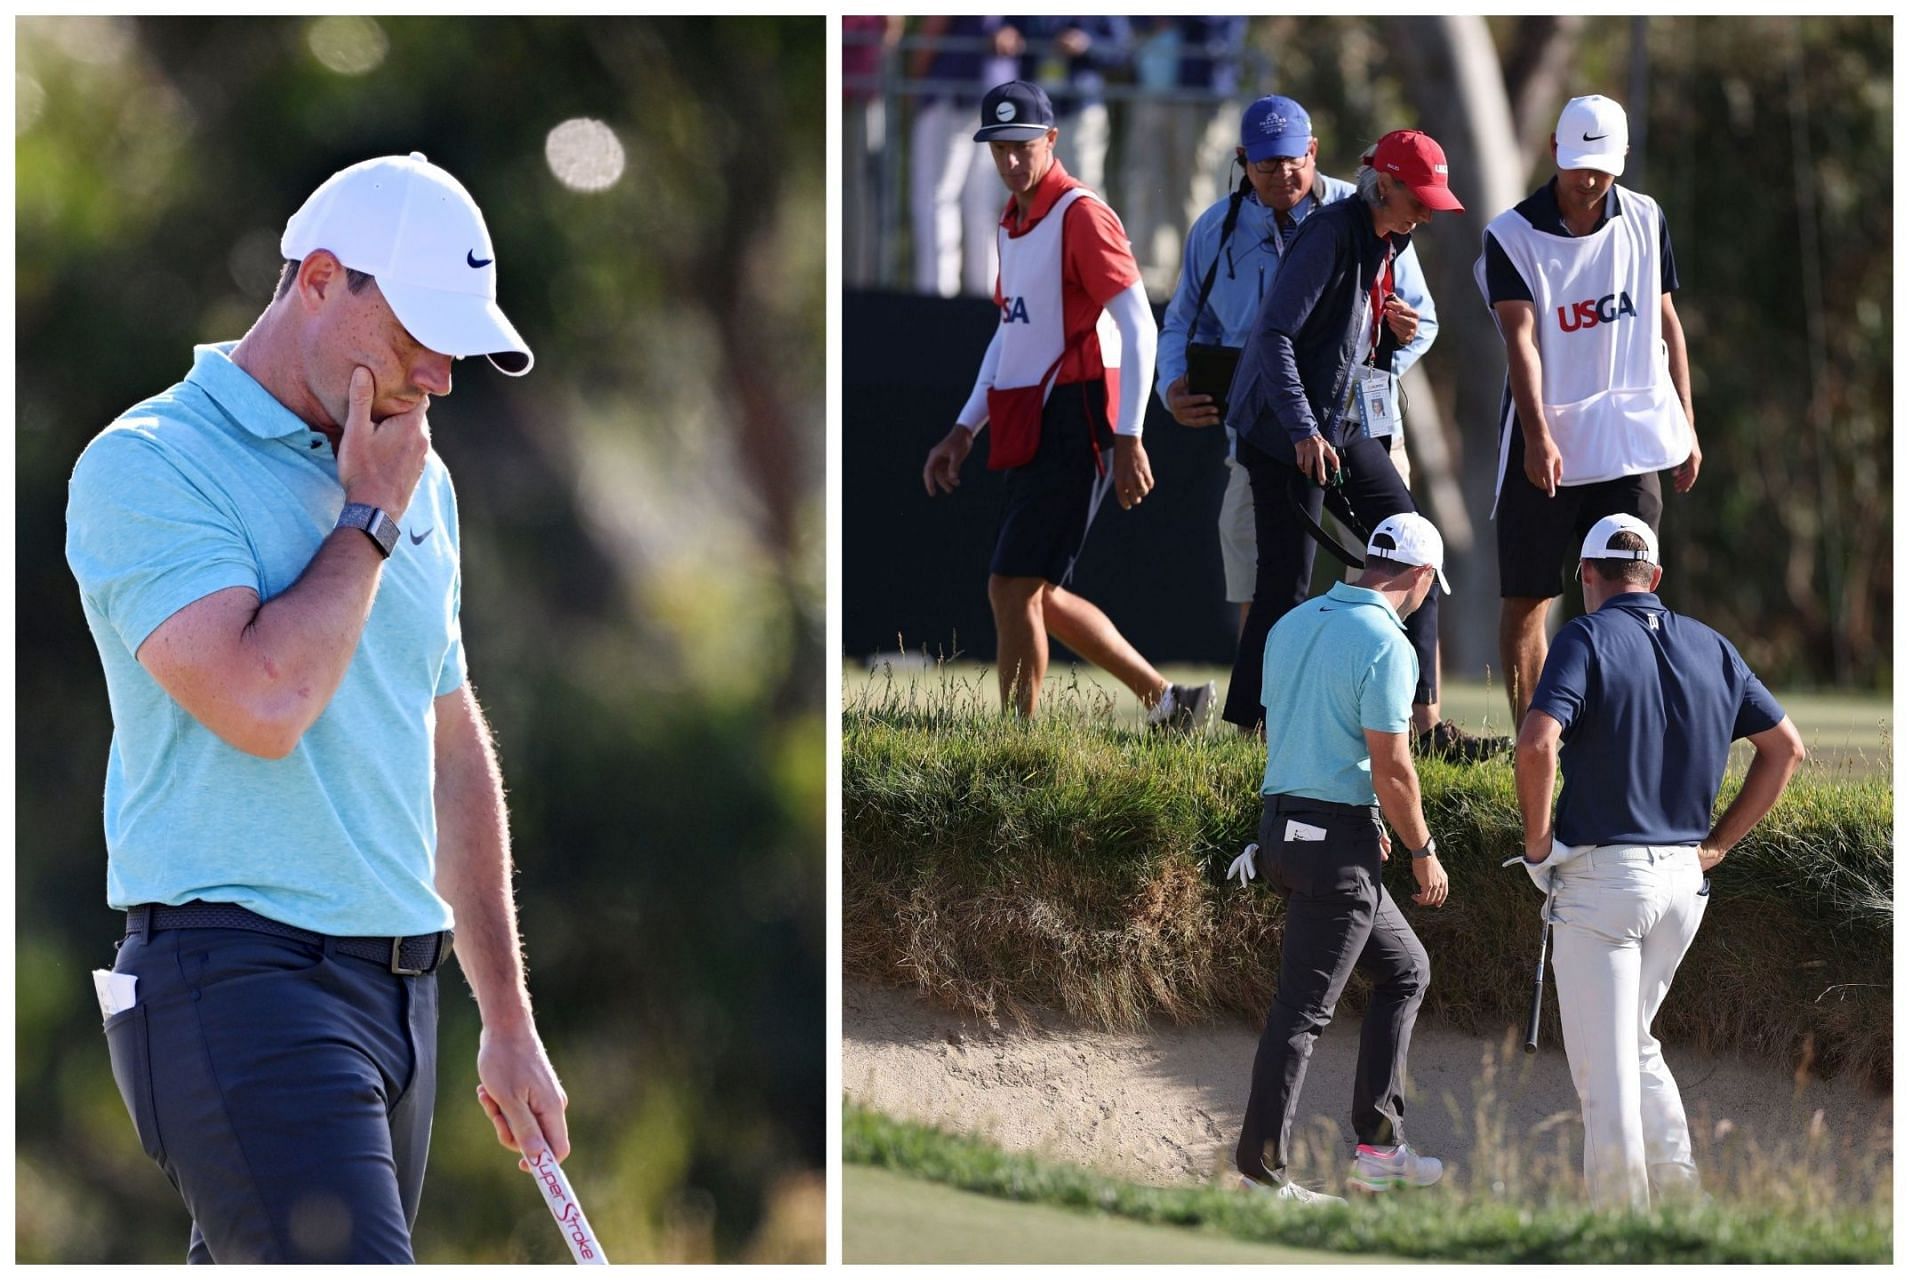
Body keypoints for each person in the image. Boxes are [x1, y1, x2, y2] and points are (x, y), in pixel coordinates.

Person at [66, 153, 568, 1262]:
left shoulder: (411, 475)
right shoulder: (151, 465)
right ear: (321, 278)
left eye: (456, 346)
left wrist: (508, 1017)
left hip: (400, 998)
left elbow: (445, 741)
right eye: (414, 335)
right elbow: (264, 699)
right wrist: (365, 523)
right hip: (234, 980)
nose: (437, 375)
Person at [1514, 514, 1804, 1212]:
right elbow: (1786, 749)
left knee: (1604, 1075)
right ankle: (1683, 1207)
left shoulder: (1584, 634)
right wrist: (1720, 845)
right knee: (1636, 1050)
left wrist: (1535, 845)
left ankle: (1621, 1235)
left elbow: (1535, 745)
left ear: (1587, 574)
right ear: (1657, 577)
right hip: (1683, 882)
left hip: (1603, 884)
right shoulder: (1711, 644)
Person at [921, 81, 1212, 727]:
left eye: (1022, 146)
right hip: (1034, 417)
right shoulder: (1012, 219)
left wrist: (1129, 436)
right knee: (1035, 594)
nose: (1010, 160)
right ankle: (1170, 704)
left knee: (1011, 587)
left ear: (1051, 140)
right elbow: (1011, 330)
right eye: (998, 148)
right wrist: (965, 428)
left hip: (1080, 417)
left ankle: (1017, 744)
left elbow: (1138, 324)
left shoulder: (1080, 213)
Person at [1222, 129, 1502, 760]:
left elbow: (1347, 349)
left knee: (1416, 546)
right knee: (1285, 586)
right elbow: (1274, 337)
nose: (1430, 210)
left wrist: (1393, 336)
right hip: (1282, 429)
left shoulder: (1389, 238)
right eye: (1421, 196)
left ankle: (1426, 730)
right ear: (1387, 185)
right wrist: (1301, 430)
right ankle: (1252, 730)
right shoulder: (1330, 233)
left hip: (1341, 423)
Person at [1230, 512, 1454, 1205]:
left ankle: (1380, 1149)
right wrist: (1422, 850)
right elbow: (1394, 768)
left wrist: (1358, 816)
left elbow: (1301, 736)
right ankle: (1260, 1177)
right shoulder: (1388, 643)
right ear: (1420, 578)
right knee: (1299, 1015)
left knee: (1406, 969)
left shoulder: (1291, 625)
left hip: (1282, 832)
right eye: (1429, 589)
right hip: (1335, 852)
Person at [1158, 96, 1436, 638]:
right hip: (1266, 428)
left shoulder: (1375, 209)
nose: (1284, 173)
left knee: (1400, 560)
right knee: (1266, 579)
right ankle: (1266, 715)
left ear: (1312, 150)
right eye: (1267, 164)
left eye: (1294, 159)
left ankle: (1396, 712)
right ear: (1243, 160)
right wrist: (1171, 384)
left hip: (1360, 425)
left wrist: (1391, 336)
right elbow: (1183, 319)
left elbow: (1423, 322)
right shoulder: (1216, 229)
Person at [1476, 94, 1703, 730]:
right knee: (1530, 598)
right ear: (1554, 150)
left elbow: (1666, 322)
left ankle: (1622, 732)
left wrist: (1686, 425)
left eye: (1601, 167)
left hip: (1630, 439)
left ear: (1622, 160)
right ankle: (1534, 738)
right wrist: (1537, 436)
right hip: (1546, 441)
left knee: (1631, 594)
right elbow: (1520, 341)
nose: (1588, 179)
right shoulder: (1511, 236)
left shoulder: (1646, 218)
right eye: (1578, 163)